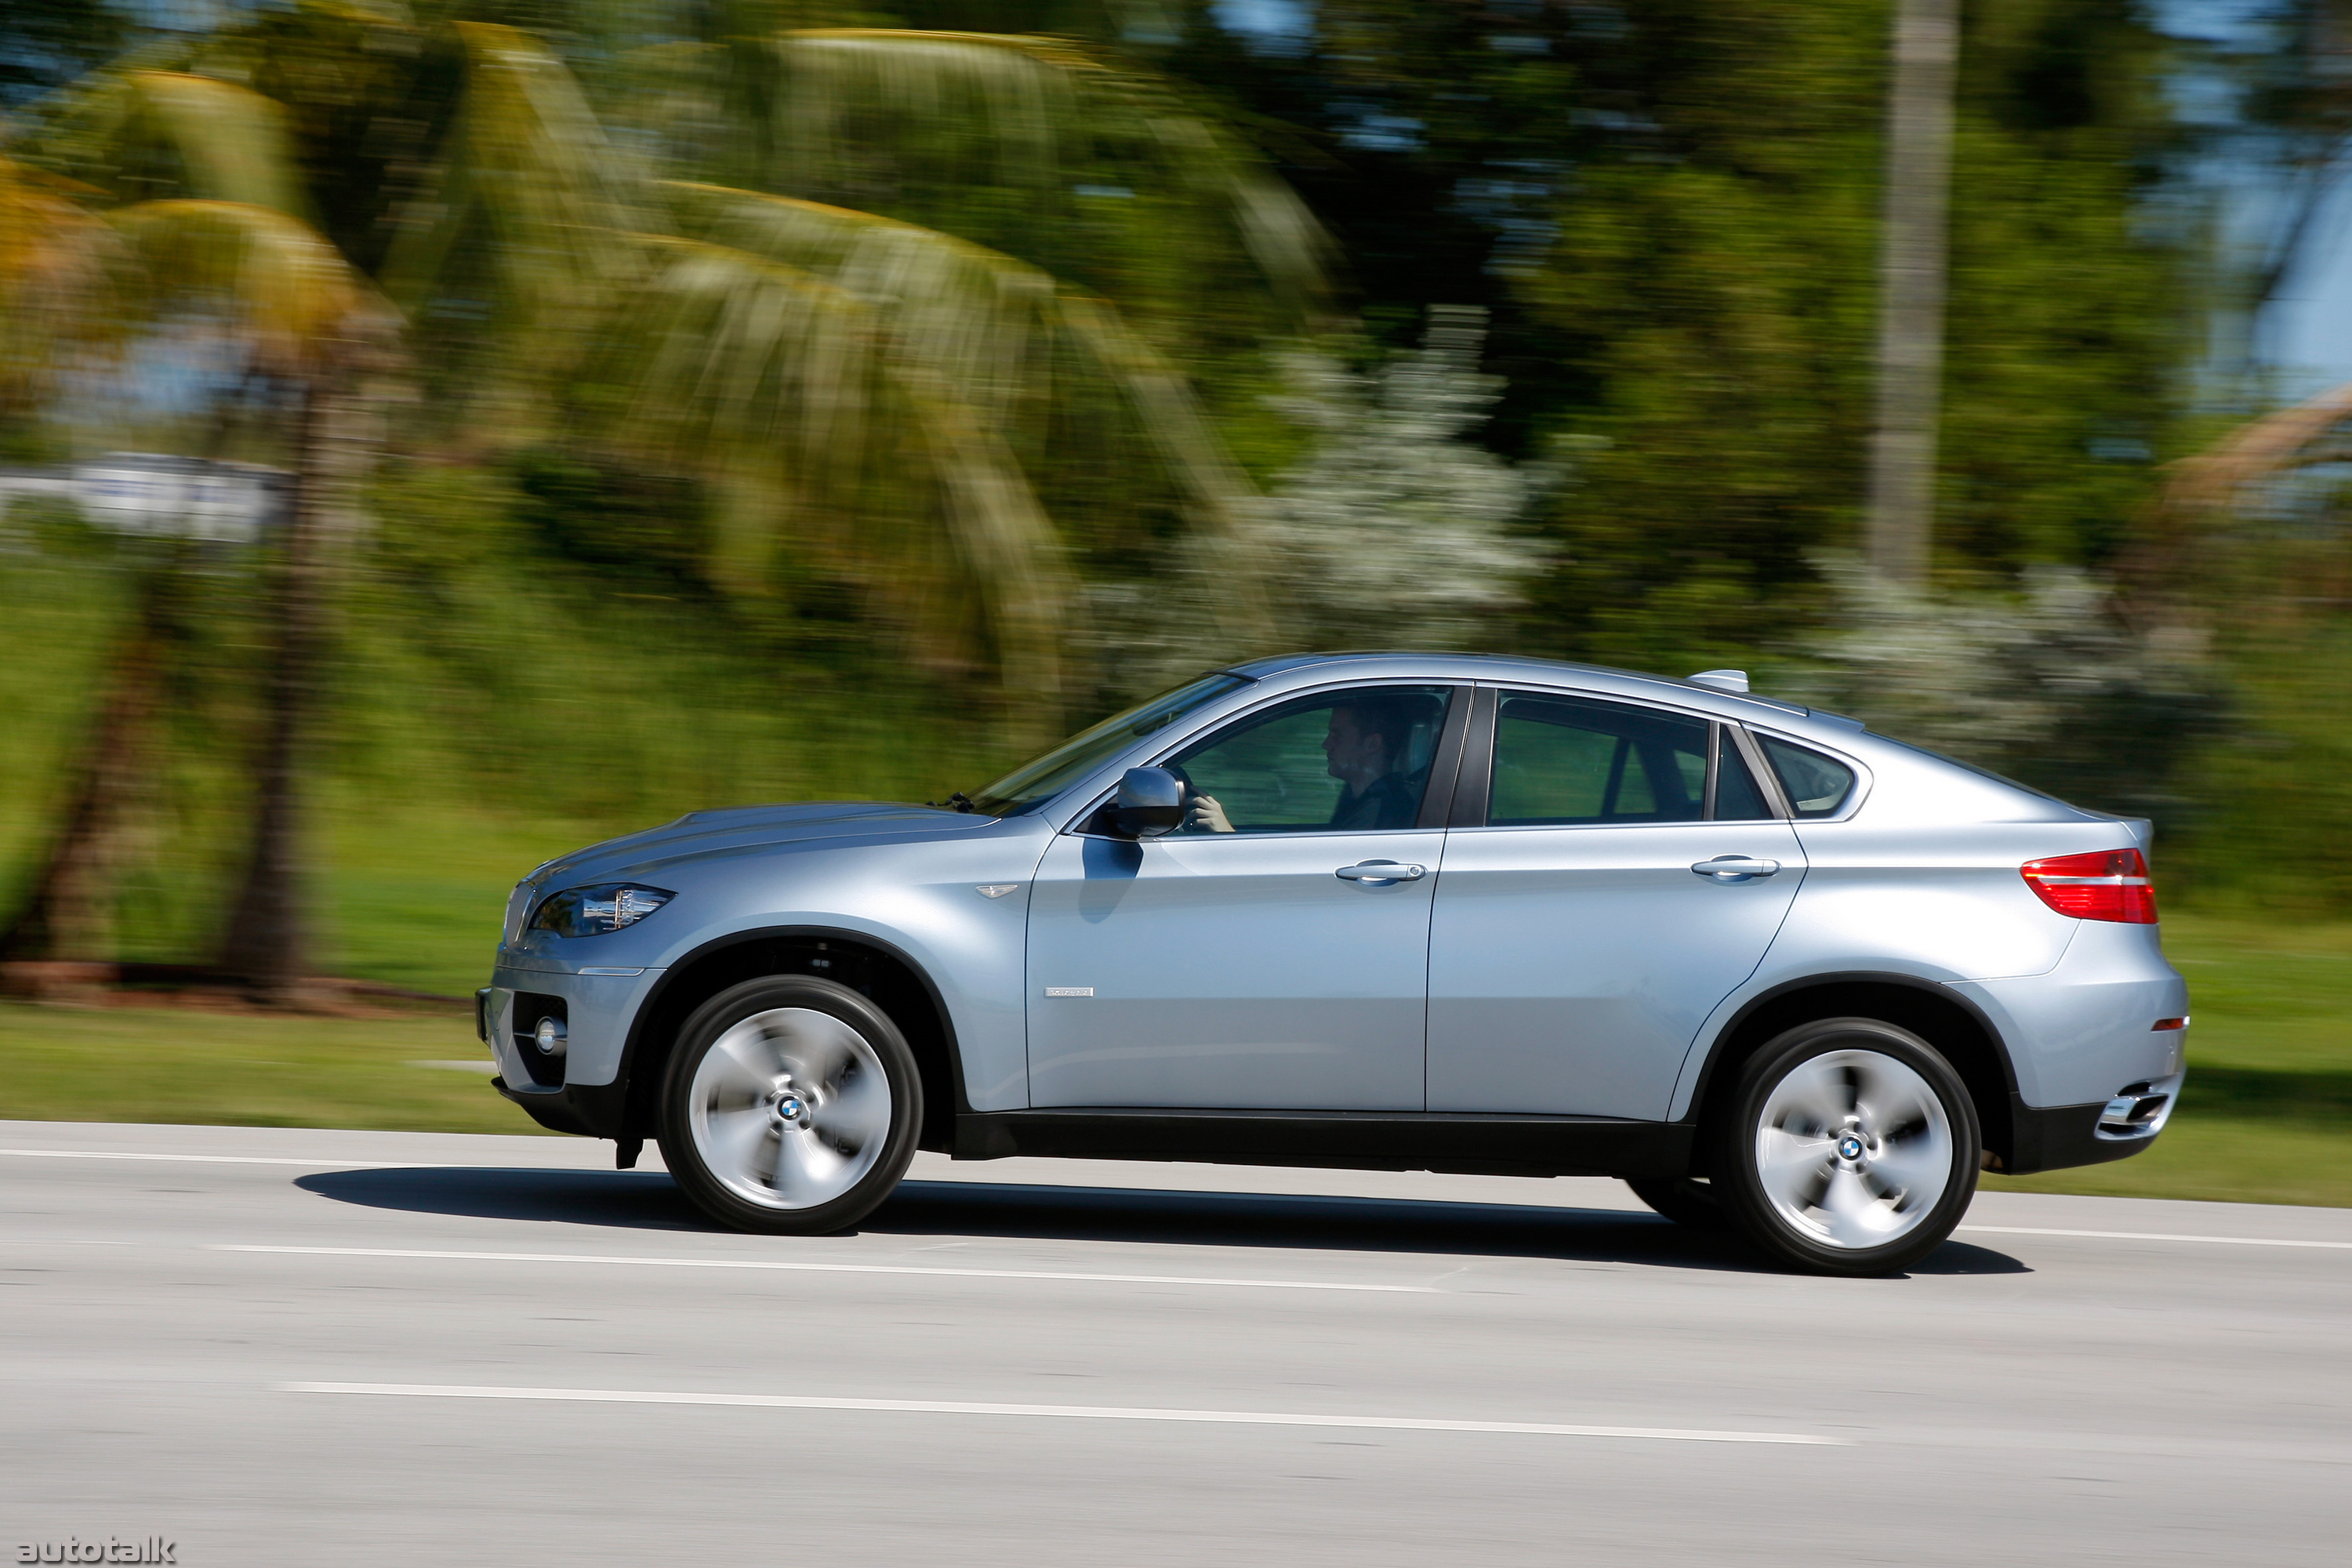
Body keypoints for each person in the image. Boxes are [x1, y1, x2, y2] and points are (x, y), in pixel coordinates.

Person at [1183, 695, 1425, 833]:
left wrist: (1227, 836)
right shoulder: (1361, 802)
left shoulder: (1377, 815)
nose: (1325, 744)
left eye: (1337, 734)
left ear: (1372, 744)